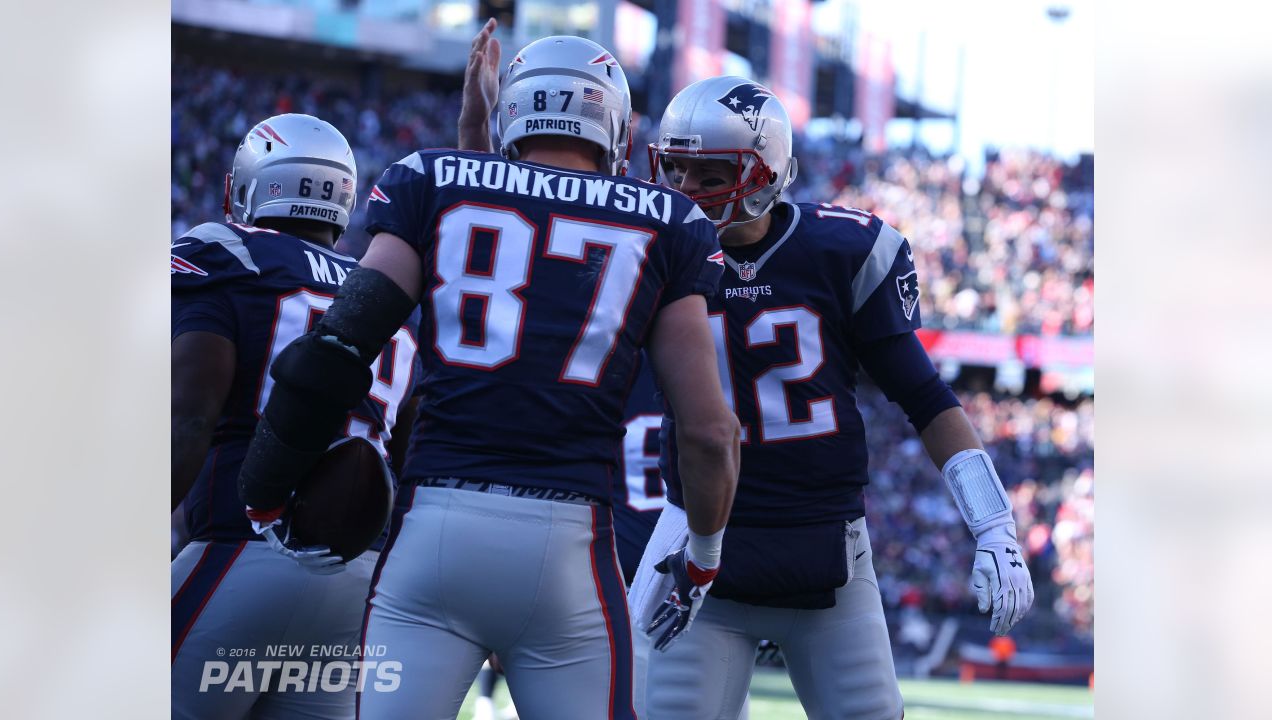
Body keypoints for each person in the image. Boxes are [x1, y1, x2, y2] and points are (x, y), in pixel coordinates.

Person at [236, 35, 740, 720]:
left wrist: (265, 489)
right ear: (615, 127)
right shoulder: (669, 222)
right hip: (572, 549)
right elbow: (710, 432)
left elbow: (335, 351)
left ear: (511, 115)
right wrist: (703, 556)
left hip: (433, 533)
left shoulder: (432, 181)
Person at [621, 77, 1036, 719]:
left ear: (763, 172)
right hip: (694, 538)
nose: (684, 190)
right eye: (673, 168)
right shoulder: (651, 248)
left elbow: (925, 397)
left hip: (828, 544)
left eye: (707, 174)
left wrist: (995, 527)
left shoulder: (840, 252)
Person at [170, 113, 420, 719]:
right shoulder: (384, 298)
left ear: (245, 188)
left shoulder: (224, 254)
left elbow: (190, 417)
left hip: (240, 548)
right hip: (353, 586)